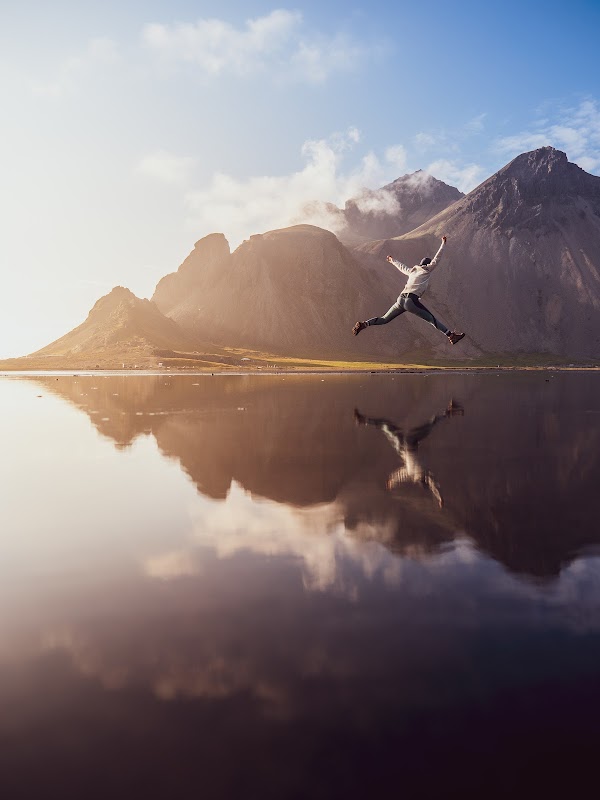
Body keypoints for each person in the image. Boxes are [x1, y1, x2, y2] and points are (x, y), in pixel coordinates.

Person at [352, 235, 465, 345]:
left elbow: (402, 267)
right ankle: (451, 336)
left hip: (400, 300)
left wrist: (392, 260)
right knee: (432, 319)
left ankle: (365, 324)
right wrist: (443, 244)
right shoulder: (427, 270)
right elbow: (437, 258)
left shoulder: (412, 271)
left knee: (384, 319)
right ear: (427, 264)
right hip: (411, 301)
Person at [354, 400, 464, 508]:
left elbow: (430, 483)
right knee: (387, 425)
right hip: (406, 444)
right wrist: (440, 498)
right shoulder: (415, 474)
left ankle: (363, 420)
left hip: (407, 443)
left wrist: (392, 480)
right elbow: (429, 483)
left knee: (427, 425)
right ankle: (363, 420)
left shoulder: (420, 474)